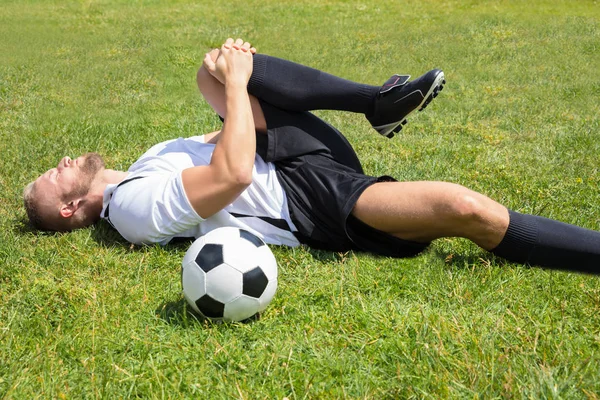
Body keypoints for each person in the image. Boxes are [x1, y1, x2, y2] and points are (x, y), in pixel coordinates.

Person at [23, 38, 600, 274]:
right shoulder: (131, 209)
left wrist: (231, 84)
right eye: (58, 173)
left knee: (212, 67)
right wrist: (240, 87)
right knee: (469, 210)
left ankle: (377, 101)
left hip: (293, 157)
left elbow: (228, 142)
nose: (67, 159)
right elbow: (232, 175)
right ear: (71, 208)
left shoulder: (149, 160)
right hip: (308, 200)